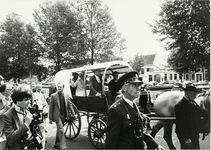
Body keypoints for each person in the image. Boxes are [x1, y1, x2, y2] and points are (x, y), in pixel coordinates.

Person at [105, 71, 165, 149]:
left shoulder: (133, 105)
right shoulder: (115, 110)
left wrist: (155, 145)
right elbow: (110, 142)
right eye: (134, 85)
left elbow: (140, 130)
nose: (138, 88)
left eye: (139, 85)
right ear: (124, 88)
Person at [3, 84, 38, 150]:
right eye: (26, 99)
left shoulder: (27, 110)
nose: (29, 102)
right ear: (17, 101)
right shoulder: (8, 115)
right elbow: (10, 139)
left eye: (29, 99)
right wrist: (26, 124)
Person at [175, 85, 210, 149]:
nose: (195, 96)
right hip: (186, 136)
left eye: (195, 95)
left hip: (194, 134)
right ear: (187, 94)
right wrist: (186, 138)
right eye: (194, 94)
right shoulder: (180, 106)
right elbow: (180, 124)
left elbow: (201, 112)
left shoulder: (192, 103)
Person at [49, 82, 71, 150]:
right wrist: (50, 118)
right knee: (61, 130)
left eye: (60, 87)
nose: (59, 88)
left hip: (64, 115)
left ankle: (56, 144)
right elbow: (51, 107)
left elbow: (69, 105)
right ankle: (63, 146)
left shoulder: (66, 95)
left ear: (63, 88)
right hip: (57, 116)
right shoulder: (53, 96)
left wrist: (73, 113)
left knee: (59, 130)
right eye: (58, 87)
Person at [32, 83, 49, 150]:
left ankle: (42, 147)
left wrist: (45, 111)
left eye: (40, 87)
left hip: (41, 117)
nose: (39, 88)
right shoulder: (32, 95)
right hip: (33, 118)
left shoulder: (41, 95)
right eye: (38, 87)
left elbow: (45, 105)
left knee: (42, 133)